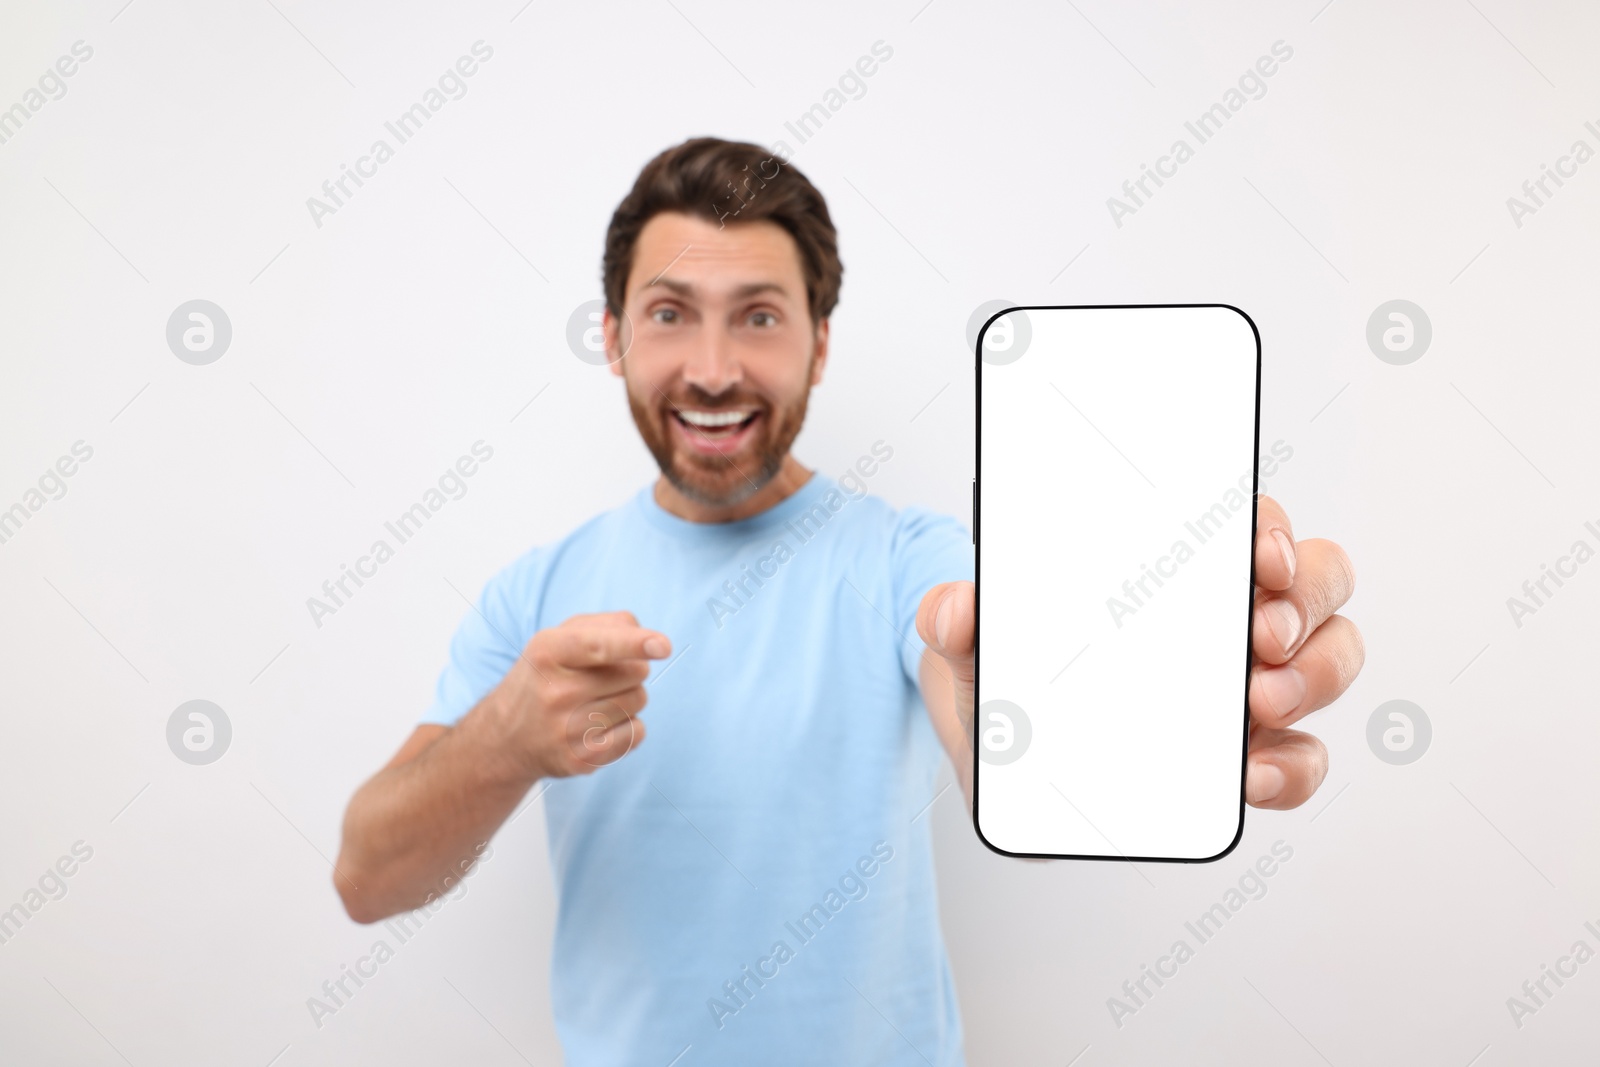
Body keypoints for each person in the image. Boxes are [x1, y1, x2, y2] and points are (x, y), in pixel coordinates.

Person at [333, 137, 1364, 1065]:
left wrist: (1100, 697)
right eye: (668, 314)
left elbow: (974, 674)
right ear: (612, 337)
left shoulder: (904, 558)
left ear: (819, 344)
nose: (712, 367)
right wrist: (504, 738)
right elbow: (366, 880)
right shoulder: (537, 593)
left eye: (761, 317)